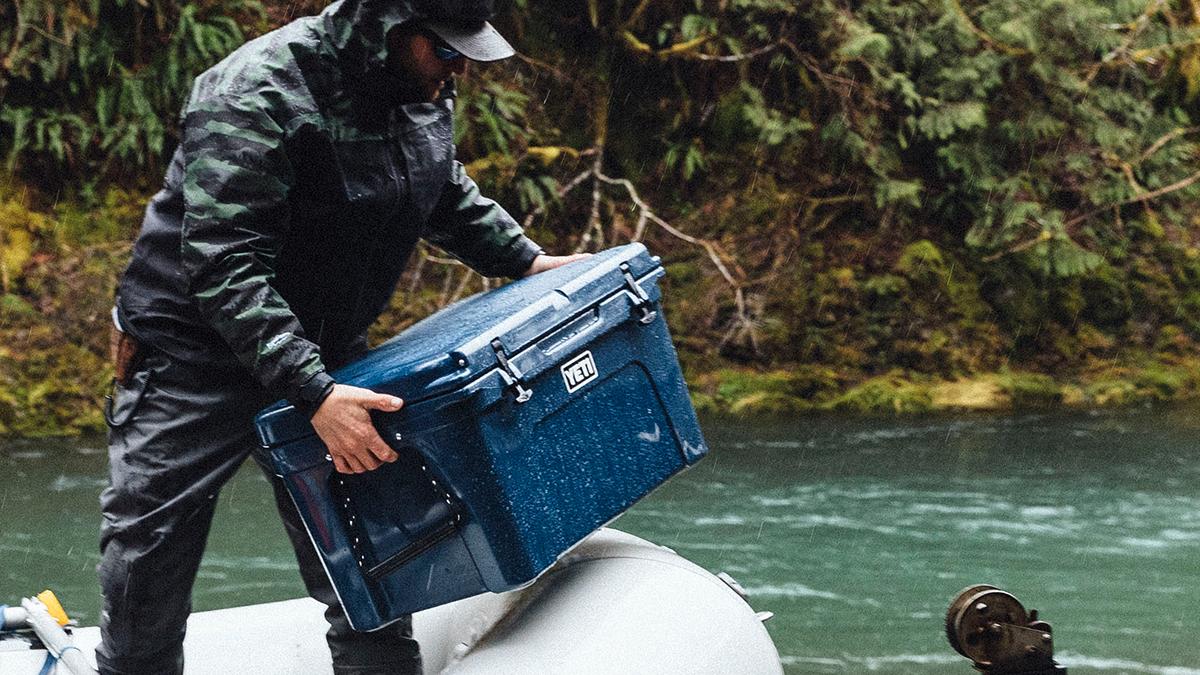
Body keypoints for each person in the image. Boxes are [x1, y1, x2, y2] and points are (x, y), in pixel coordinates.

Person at [98, 1, 585, 673]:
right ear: (388, 28)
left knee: (372, 550)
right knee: (151, 553)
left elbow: (440, 187)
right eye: (446, 50)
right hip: (192, 357)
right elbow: (224, 264)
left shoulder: (418, 85)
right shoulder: (256, 93)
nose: (459, 69)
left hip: (331, 349)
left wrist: (525, 259)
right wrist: (316, 394)